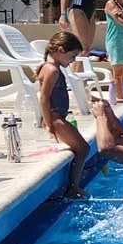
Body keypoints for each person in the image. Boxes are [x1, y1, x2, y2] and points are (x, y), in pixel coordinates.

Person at [36, 33, 89, 199]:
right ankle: (73, 188)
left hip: (58, 118)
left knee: (82, 148)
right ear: (60, 50)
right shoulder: (51, 69)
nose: (73, 61)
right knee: (83, 149)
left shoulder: (51, 67)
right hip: (56, 119)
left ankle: (72, 186)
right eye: (72, 56)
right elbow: (44, 98)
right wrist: (49, 124)